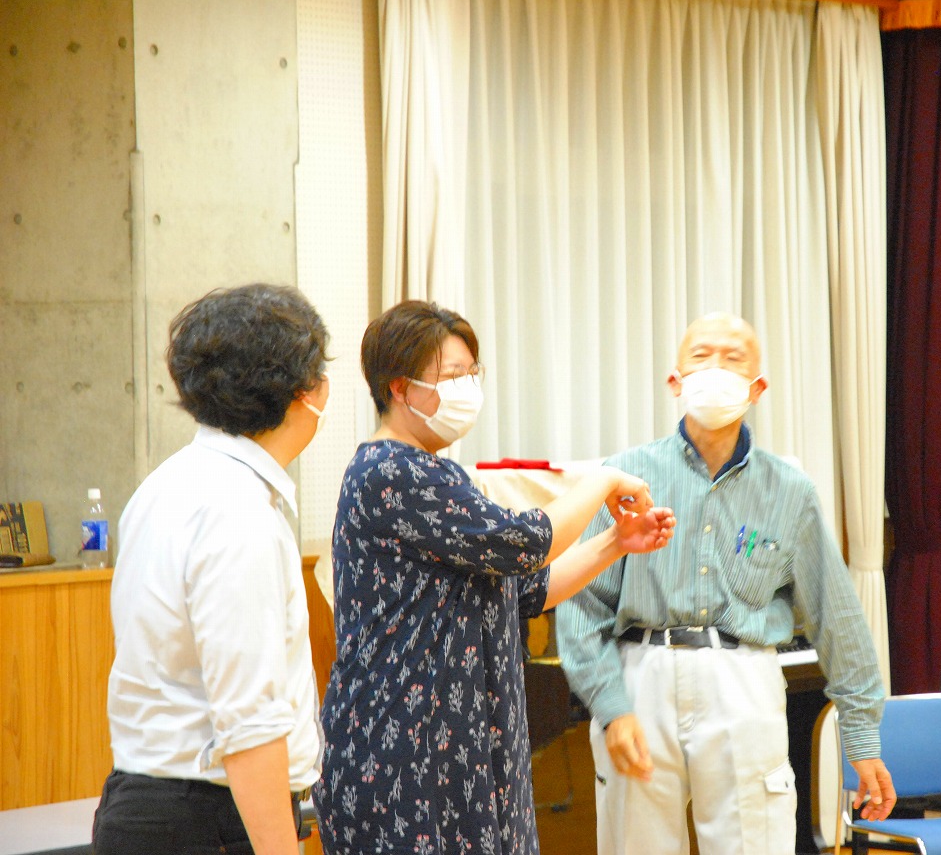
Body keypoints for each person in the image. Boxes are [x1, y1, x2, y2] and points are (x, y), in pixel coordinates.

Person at [312, 300, 676, 855]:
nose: (467, 388)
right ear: (400, 388)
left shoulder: (439, 472)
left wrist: (616, 542)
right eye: (451, 376)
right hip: (404, 750)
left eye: (472, 374)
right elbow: (524, 542)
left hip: (464, 746)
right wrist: (600, 481)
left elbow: (528, 588)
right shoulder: (390, 470)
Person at [556, 312, 896, 855]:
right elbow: (581, 607)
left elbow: (837, 617)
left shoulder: (790, 491)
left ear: (757, 388)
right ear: (675, 381)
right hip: (641, 676)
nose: (715, 367)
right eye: (701, 356)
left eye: (733, 358)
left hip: (743, 680)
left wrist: (862, 734)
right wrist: (611, 706)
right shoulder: (624, 477)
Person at [92, 284, 331, 855]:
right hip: (207, 816)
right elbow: (249, 723)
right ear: (304, 391)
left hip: (160, 805)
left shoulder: (169, 483)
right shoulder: (237, 511)